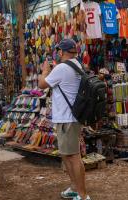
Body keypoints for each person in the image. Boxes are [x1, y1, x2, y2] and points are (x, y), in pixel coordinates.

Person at [38, 39, 89, 200]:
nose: (57, 53)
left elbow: (41, 84)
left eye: (58, 50)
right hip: (69, 118)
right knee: (67, 155)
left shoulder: (61, 68)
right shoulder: (77, 65)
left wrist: (45, 70)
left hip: (67, 118)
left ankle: (82, 195)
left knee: (73, 156)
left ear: (62, 52)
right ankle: (75, 188)